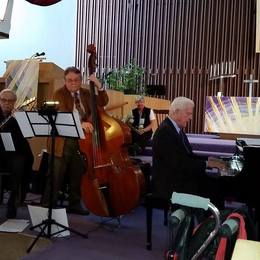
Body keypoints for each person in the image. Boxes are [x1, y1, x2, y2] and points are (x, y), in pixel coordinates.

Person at [42, 66, 109, 215]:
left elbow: (103, 102)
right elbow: (63, 114)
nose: (73, 83)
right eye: (69, 80)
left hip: (83, 141)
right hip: (62, 140)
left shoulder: (86, 93)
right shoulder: (59, 94)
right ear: (65, 80)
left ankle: (74, 204)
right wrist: (81, 123)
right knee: (55, 174)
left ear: (81, 80)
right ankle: (48, 205)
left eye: (76, 80)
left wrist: (99, 85)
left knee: (77, 173)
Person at [152, 96, 227, 206]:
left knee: (215, 185)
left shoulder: (176, 129)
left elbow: (188, 156)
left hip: (179, 178)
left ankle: (210, 219)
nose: (191, 118)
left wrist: (208, 159)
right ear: (176, 112)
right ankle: (210, 220)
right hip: (169, 184)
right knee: (214, 188)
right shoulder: (165, 132)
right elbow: (178, 164)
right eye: (188, 114)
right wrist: (207, 164)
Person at [0, 89, 34, 218]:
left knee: (19, 164)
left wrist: (18, 120)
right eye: (3, 100)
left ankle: (12, 202)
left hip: (16, 152)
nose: (6, 103)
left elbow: (28, 136)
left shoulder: (20, 115)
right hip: (0, 152)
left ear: (14, 102)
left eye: (10, 101)